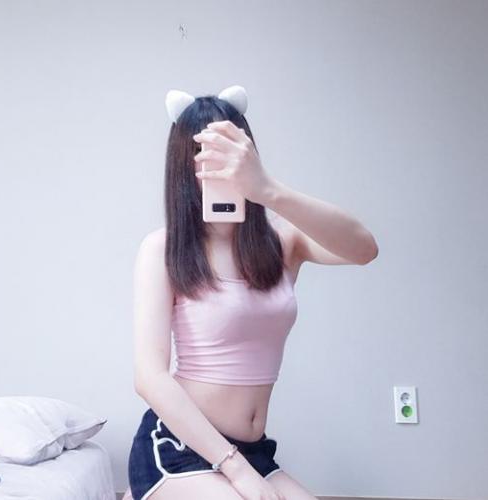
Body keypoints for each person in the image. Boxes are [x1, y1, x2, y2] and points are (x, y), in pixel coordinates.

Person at [126, 85, 379, 500]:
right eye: (206, 156)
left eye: (231, 154)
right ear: (185, 165)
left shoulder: (282, 242)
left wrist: (267, 190)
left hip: (253, 452)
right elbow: (149, 377)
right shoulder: (163, 249)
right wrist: (235, 469)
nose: (220, 169)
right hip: (180, 449)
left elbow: (364, 249)